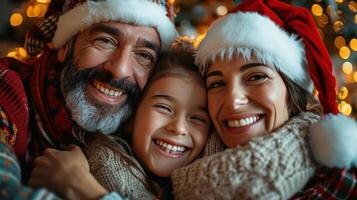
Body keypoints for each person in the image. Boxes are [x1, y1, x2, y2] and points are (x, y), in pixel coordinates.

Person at [169, 0, 357, 199]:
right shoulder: (176, 163)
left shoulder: (339, 181)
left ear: (293, 91)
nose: (233, 101)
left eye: (256, 77)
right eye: (216, 84)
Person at [0, 38, 210, 200]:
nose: (179, 128)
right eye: (164, 108)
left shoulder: (200, 168)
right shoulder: (105, 165)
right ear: (131, 117)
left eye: (198, 118)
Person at [0, 0, 177, 182]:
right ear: (66, 45)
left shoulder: (148, 129)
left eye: (144, 55)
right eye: (106, 41)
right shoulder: (7, 88)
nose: (120, 70)